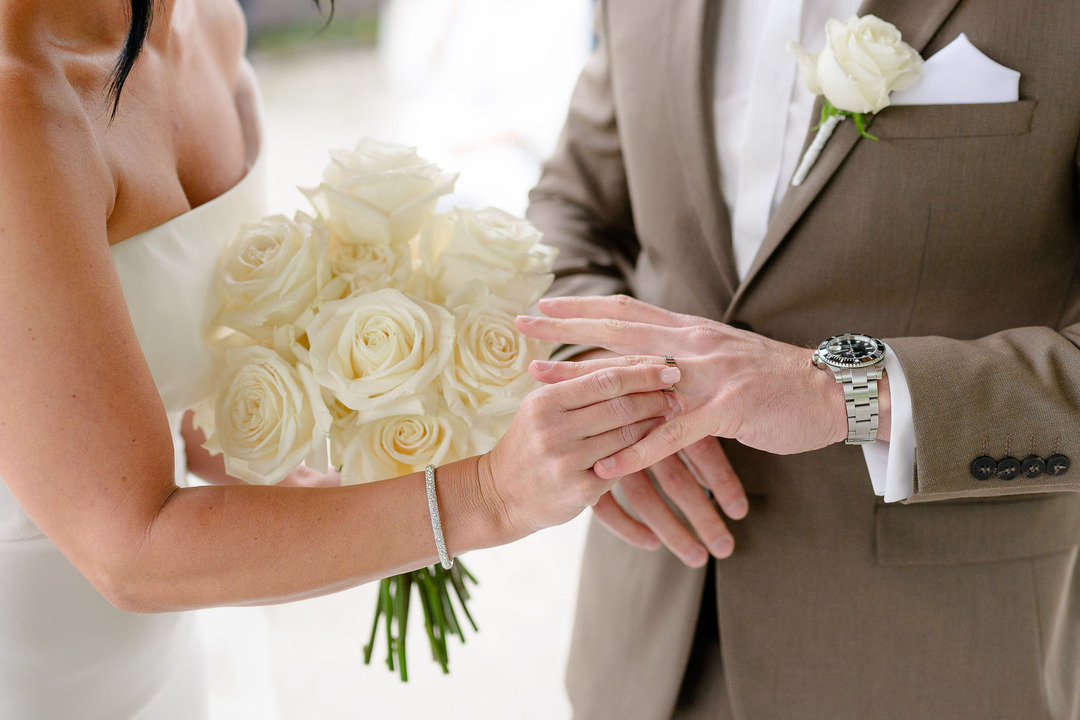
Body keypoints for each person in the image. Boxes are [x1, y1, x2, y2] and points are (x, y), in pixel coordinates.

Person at [0, 1, 677, 717]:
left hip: (165, 656)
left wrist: (376, 455)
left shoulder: (207, 24)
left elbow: (174, 364)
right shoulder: (19, 105)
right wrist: (486, 495)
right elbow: (130, 550)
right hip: (38, 661)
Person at [520, 1, 1080, 718]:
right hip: (645, 649)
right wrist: (608, 375)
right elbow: (570, 209)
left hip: (940, 659)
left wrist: (840, 392)